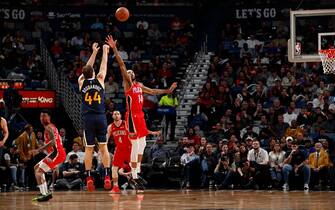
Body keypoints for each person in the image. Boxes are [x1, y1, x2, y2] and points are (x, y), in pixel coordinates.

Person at [106, 35, 177, 190]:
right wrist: (114, 48)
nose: (129, 72)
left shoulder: (139, 85)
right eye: (128, 72)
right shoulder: (128, 85)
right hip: (131, 116)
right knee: (136, 144)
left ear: (135, 75)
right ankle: (134, 176)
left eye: (131, 72)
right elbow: (122, 65)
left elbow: (152, 90)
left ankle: (135, 173)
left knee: (143, 144)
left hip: (140, 116)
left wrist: (167, 90)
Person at [78, 42, 111, 191]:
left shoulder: (81, 82)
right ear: (93, 72)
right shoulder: (100, 79)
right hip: (100, 117)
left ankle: (89, 177)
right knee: (104, 148)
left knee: (89, 150)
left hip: (88, 119)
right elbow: (103, 65)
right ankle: (107, 176)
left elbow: (87, 67)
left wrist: (93, 52)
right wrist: (104, 51)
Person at [107, 111, 160, 193]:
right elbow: (106, 139)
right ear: (112, 116)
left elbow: (141, 130)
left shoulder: (126, 124)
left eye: (118, 114)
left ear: (121, 115)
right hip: (119, 149)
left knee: (134, 167)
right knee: (114, 168)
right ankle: (115, 187)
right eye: (115, 114)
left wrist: (152, 132)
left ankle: (139, 186)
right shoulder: (110, 127)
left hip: (129, 148)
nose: (116, 115)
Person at [29, 110, 66, 202]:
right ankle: (45, 192)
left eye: (45, 116)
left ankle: (44, 194)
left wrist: (39, 150)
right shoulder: (51, 127)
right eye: (41, 116)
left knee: (38, 172)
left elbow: (53, 142)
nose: (42, 118)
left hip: (57, 153)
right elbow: (57, 141)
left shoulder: (48, 127)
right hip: (55, 153)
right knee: (36, 167)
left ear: (49, 117)